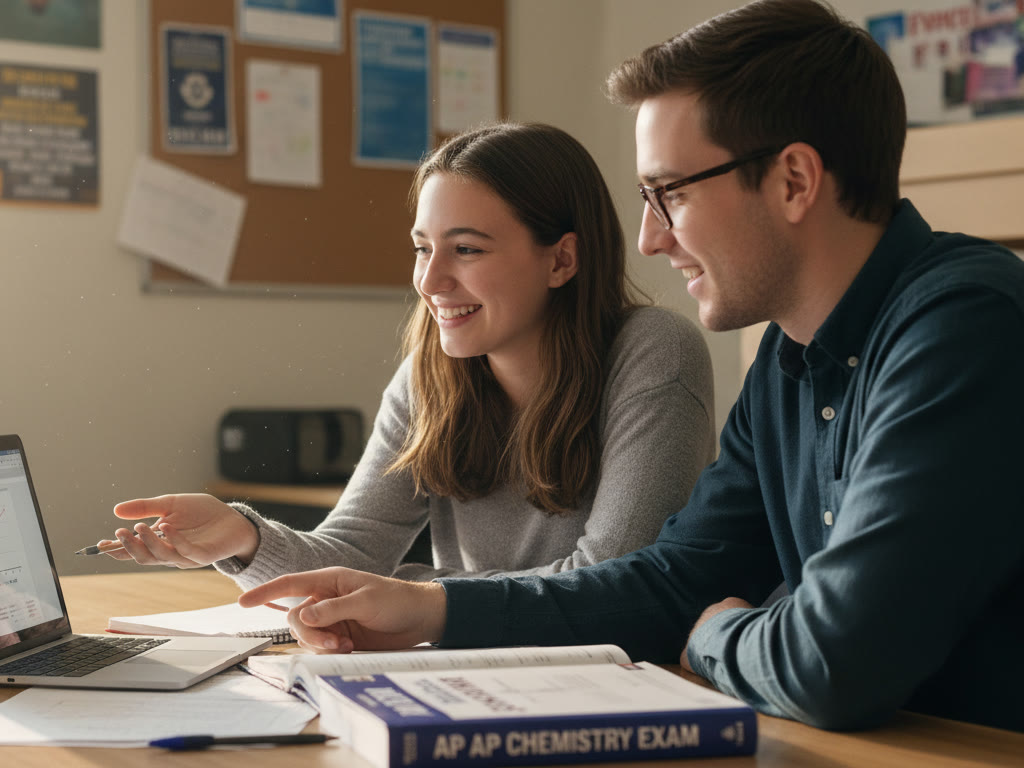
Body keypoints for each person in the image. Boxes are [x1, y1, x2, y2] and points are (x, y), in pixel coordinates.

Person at [239, 0, 1024, 734]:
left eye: (669, 194)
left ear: (794, 180)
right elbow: (670, 583)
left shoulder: (965, 327)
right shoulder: (791, 356)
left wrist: (716, 633)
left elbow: (832, 661)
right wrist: (432, 610)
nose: (649, 238)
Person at [103, 122, 715, 589]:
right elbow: (351, 552)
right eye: (423, 249)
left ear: (561, 260)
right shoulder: (433, 375)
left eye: (467, 250)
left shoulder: (654, 353)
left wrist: (418, 596)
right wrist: (242, 539)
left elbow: (609, 581)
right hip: (472, 678)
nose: (431, 282)